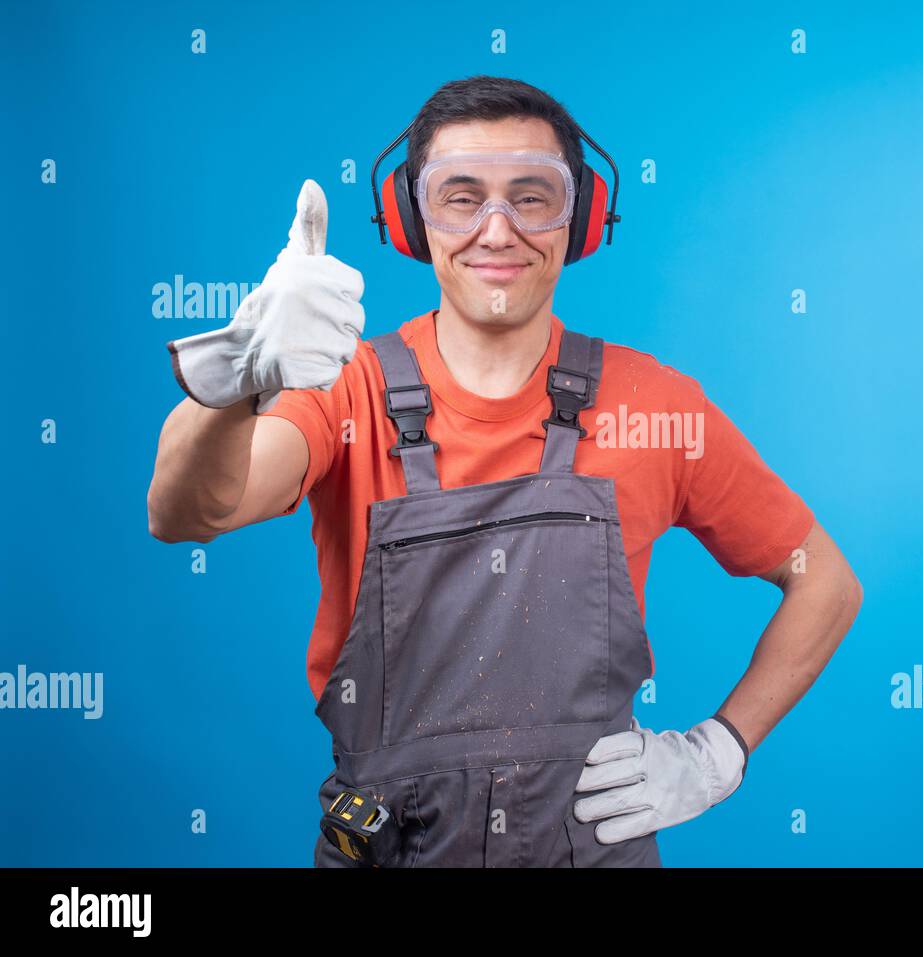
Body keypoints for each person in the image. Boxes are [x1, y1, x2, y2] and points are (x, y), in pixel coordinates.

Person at [147, 75, 863, 867]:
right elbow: (185, 513)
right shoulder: (347, 389)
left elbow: (825, 581)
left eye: (532, 195)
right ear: (412, 220)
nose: (497, 229)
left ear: (581, 220)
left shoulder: (655, 405)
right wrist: (237, 380)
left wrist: (719, 750)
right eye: (461, 196)